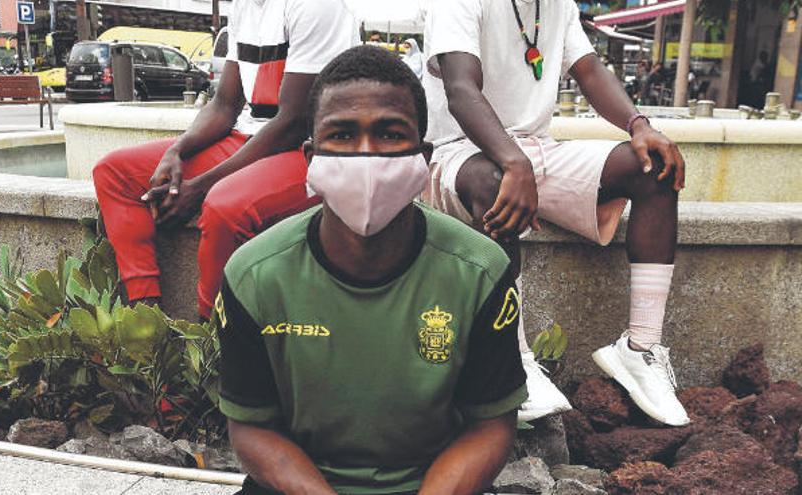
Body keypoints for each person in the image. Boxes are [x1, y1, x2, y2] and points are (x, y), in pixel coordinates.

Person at [217, 45, 528, 494]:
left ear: (422, 155)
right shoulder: (255, 276)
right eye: (341, 135)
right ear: (310, 157)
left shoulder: (480, 272)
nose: (366, 155)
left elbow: (490, 425)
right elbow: (252, 428)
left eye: (389, 133)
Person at [421, 0, 689, 426]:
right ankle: (515, 359)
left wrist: (639, 125)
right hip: (461, 153)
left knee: (654, 169)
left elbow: (589, 70)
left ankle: (641, 350)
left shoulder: (557, 3)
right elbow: (461, 89)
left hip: (533, 150)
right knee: (496, 184)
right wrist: (513, 162)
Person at [92, 0, 358, 320]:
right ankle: (146, 323)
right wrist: (176, 151)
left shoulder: (316, 6)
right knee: (114, 172)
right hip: (253, 139)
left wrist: (202, 186)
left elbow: (293, 122)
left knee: (225, 206)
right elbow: (224, 105)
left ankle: (212, 341)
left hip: (314, 148)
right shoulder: (246, 5)